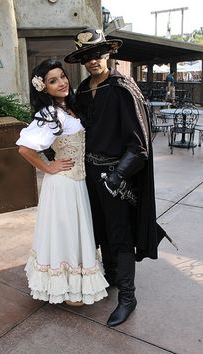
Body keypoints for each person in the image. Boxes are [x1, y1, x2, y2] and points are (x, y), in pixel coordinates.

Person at [64, 28, 171, 326]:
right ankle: (110, 276)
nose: (93, 60)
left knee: (121, 235)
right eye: (87, 56)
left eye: (98, 53)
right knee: (101, 231)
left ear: (108, 53)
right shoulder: (83, 90)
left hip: (115, 175)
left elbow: (139, 147)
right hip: (88, 174)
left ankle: (127, 296)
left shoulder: (123, 88)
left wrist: (116, 177)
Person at [16, 59, 109, 306]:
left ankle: (73, 284)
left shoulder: (70, 107)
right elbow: (24, 149)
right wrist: (48, 166)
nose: (61, 83)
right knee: (65, 233)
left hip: (77, 184)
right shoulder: (50, 115)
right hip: (63, 184)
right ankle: (65, 288)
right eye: (52, 81)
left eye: (62, 77)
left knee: (74, 232)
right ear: (43, 88)